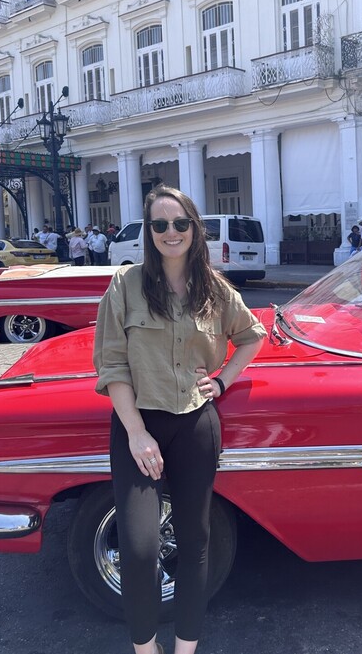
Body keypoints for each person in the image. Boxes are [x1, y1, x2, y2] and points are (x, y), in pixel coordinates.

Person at [93, 185, 266, 654]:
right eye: (160, 225)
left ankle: (186, 648)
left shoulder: (215, 288)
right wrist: (135, 432)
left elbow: (253, 336)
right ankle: (145, 649)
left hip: (195, 423)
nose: (171, 232)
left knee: (195, 541)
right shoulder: (125, 285)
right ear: (149, 232)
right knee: (140, 548)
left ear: (194, 228)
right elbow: (112, 364)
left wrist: (224, 380)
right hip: (138, 426)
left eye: (180, 223)